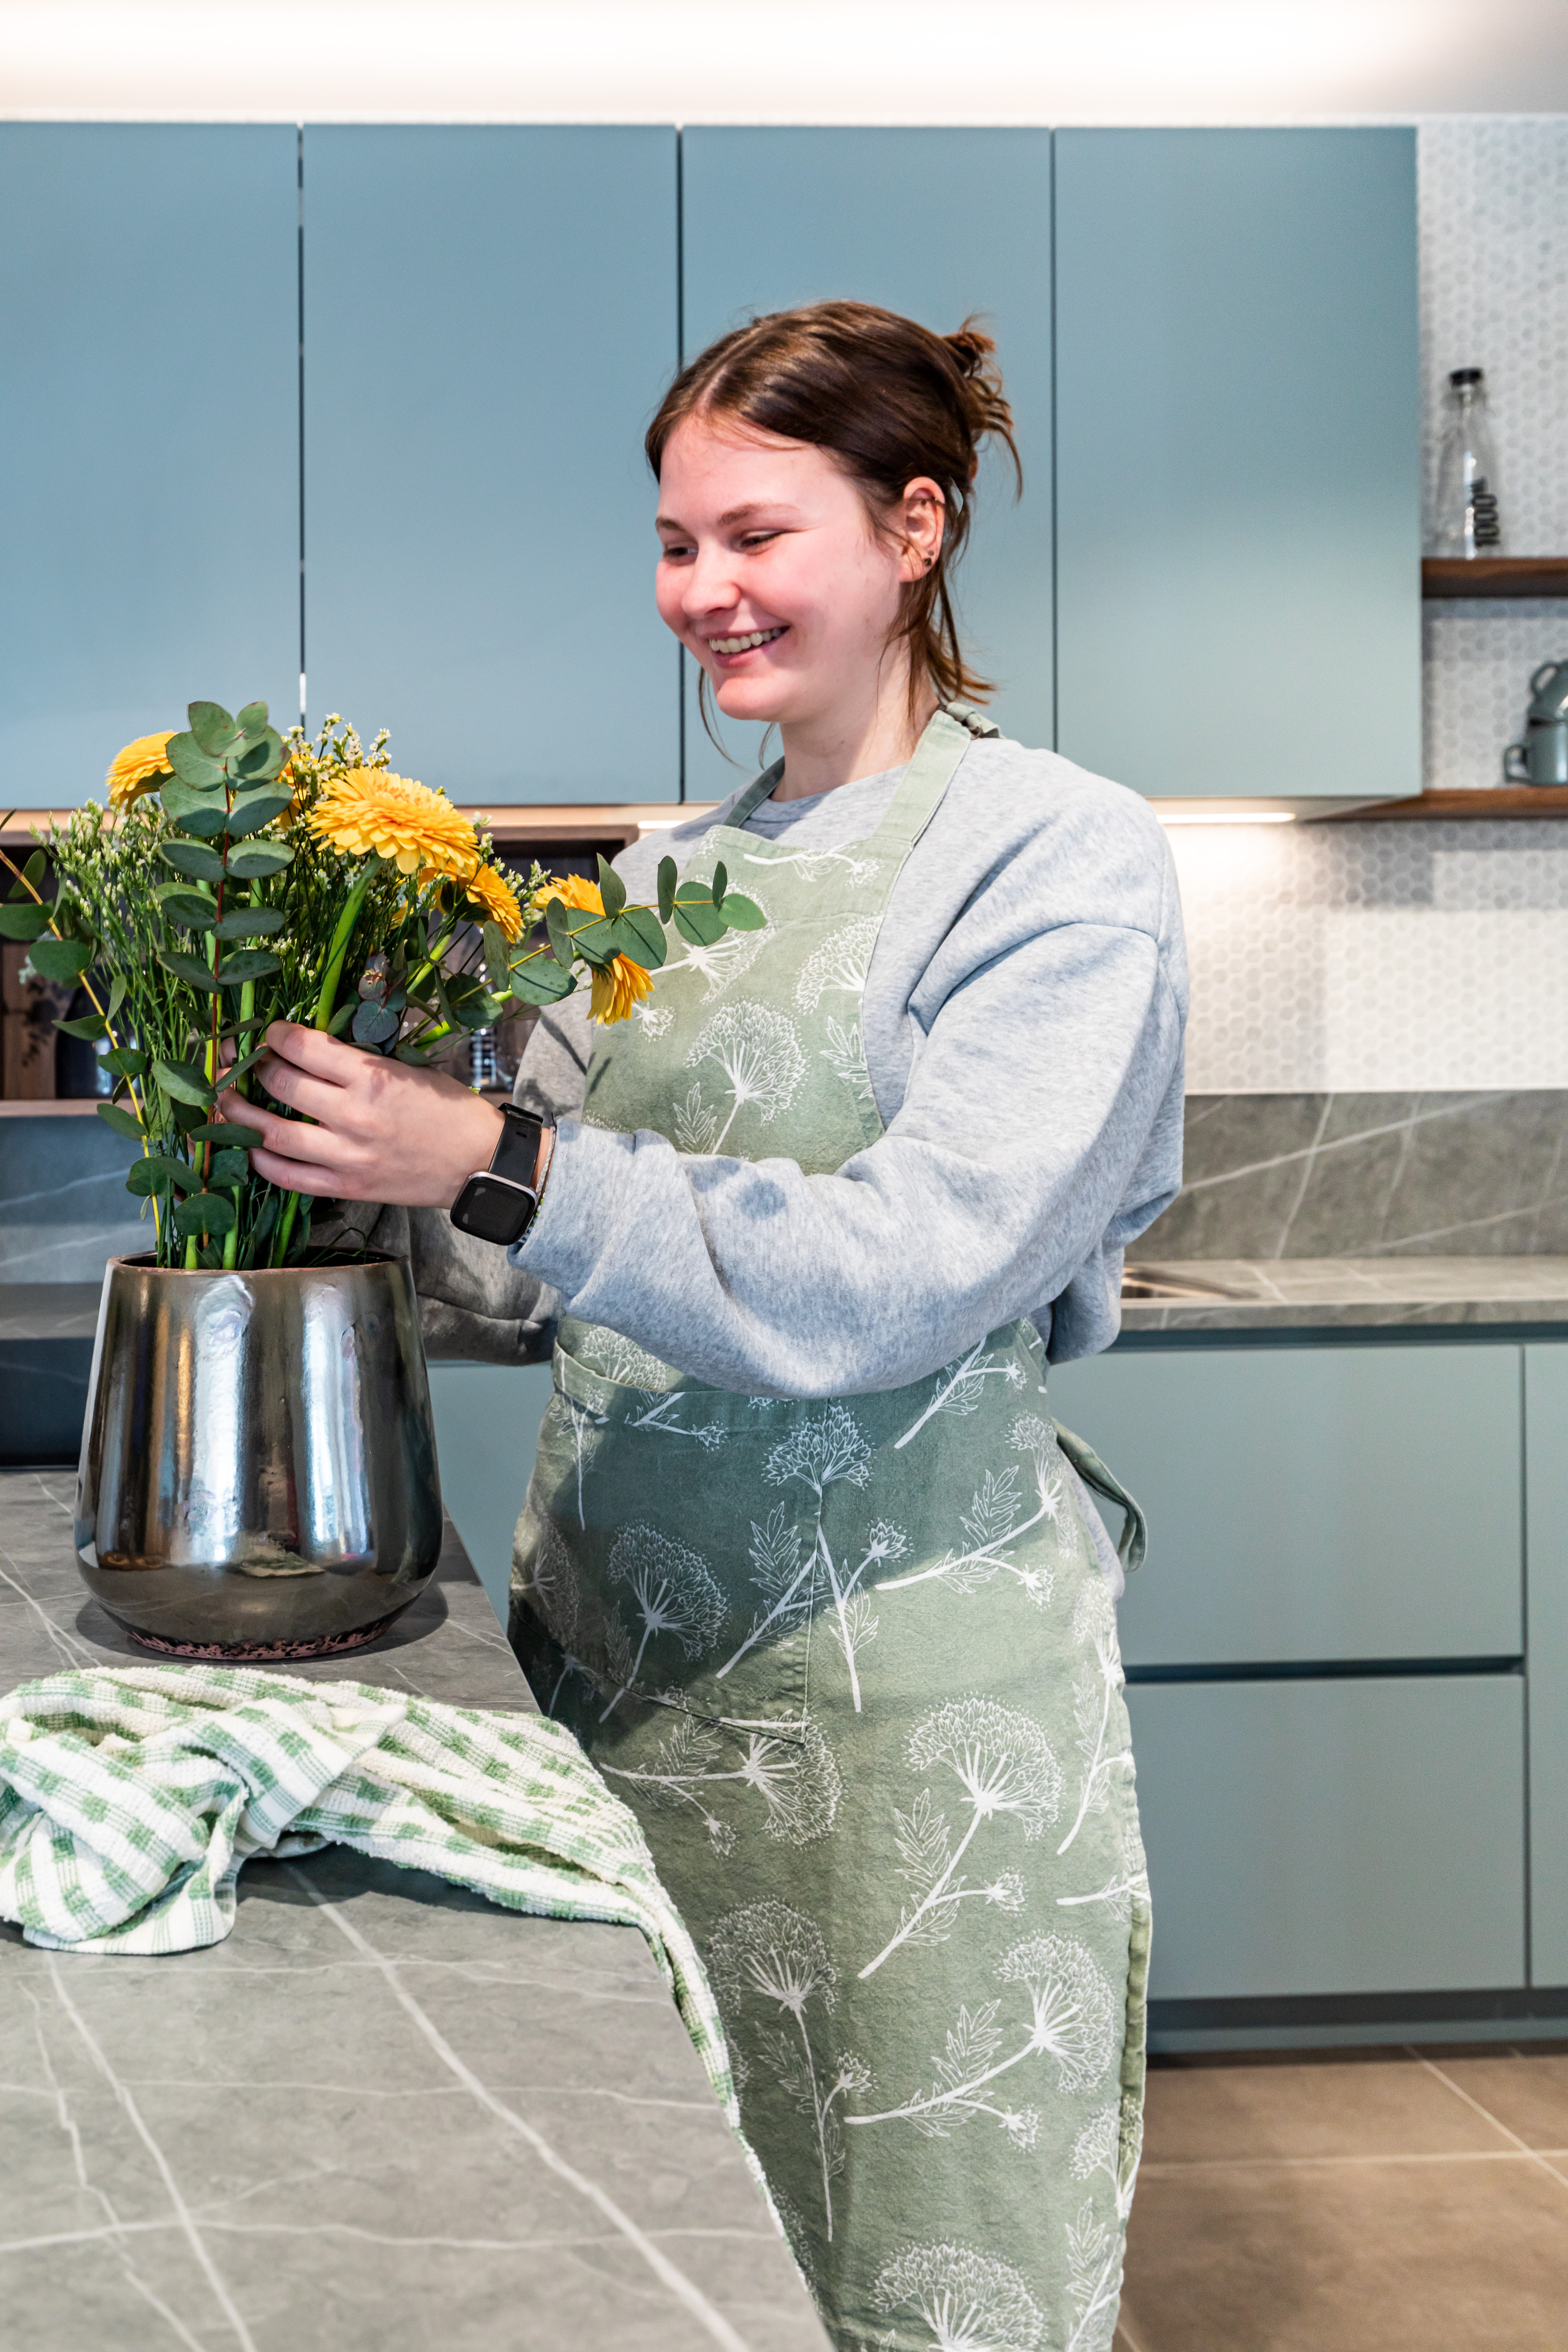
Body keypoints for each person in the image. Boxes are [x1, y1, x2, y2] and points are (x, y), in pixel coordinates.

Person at [236, 301, 1188, 2352]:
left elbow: (914, 1266)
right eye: (676, 543)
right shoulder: (663, 876)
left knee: (923, 2265)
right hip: (630, 1696)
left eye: (757, 535)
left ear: (914, 526)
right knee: (657, 2262)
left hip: (911, 1727)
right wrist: (351, 1154)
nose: (703, 592)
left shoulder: (1059, 856)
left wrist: (488, 1159)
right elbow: (525, 1268)